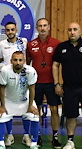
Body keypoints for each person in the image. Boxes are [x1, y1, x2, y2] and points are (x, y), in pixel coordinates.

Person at [52, 22, 82, 149]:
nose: (72, 32)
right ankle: (70, 141)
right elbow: (55, 65)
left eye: (75, 30)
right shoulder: (62, 47)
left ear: (80, 32)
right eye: (69, 30)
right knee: (70, 115)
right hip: (69, 87)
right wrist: (57, 83)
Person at [26, 18, 62, 148]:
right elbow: (27, 63)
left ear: (49, 27)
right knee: (37, 109)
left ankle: (55, 136)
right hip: (35, 83)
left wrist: (58, 83)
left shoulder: (56, 43)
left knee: (54, 109)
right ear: (36, 28)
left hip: (51, 82)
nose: (42, 28)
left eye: (45, 26)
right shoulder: (30, 44)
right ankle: (38, 135)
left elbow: (58, 64)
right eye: (40, 26)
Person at [0, 51, 39, 149]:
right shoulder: (5, 70)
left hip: (25, 100)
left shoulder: (30, 71)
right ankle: (1, 143)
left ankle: (34, 143)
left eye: (20, 60)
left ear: (24, 61)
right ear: (11, 61)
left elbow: (32, 89)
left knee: (35, 117)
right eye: (15, 60)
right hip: (8, 100)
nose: (18, 62)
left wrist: (30, 105)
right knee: (0, 117)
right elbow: (1, 89)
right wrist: (2, 106)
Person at [0, 21, 28, 146]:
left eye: (12, 30)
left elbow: (28, 58)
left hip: (22, 79)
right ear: (5, 32)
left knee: (25, 106)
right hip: (8, 79)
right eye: (7, 30)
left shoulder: (24, 42)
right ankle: (9, 135)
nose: (10, 32)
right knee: (7, 107)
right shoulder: (1, 44)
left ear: (16, 30)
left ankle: (26, 135)